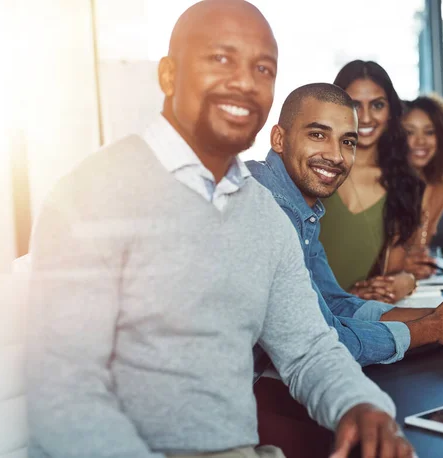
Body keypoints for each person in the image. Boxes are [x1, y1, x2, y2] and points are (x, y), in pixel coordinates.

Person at [26, 2, 414, 458]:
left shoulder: (262, 214)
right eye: (221, 59)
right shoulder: (91, 195)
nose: (246, 82)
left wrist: (361, 406)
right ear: (169, 75)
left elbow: (309, 348)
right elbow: (65, 402)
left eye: (263, 68)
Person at [247, 83, 443, 458]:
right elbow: (327, 337)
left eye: (347, 141)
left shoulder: (301, 209)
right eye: (318, 135)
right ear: (279, 138)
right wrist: (435, 328)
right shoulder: (267, 209)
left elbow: (335, 302)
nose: (335, 155)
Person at [319, 60, 422, 303]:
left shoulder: (405, 184)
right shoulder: (313, 169)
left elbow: (391, 273)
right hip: (302, 313)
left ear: (391, 111)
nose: (365, 117)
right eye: (354, 104)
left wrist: (406, 281)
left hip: (358, 319)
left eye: (377, 105)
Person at [402, 95, 443, 279]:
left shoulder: (440, 188)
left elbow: (420, 250)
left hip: (416, 283)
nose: (421, 141)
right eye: (410, 133)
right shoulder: (382, 185)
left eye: (429, 132)